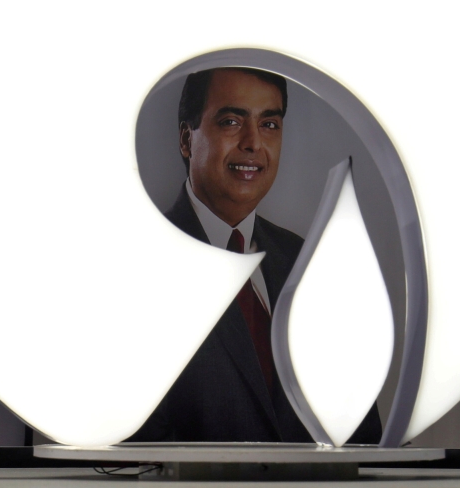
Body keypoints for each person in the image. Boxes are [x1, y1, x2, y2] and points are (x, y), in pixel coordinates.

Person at [129, 67, 382, 444]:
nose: (253, 143)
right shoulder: (136, 271)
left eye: (269, 124)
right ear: (186, 139)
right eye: (232, 121)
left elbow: (361, 432)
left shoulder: (309, 263)